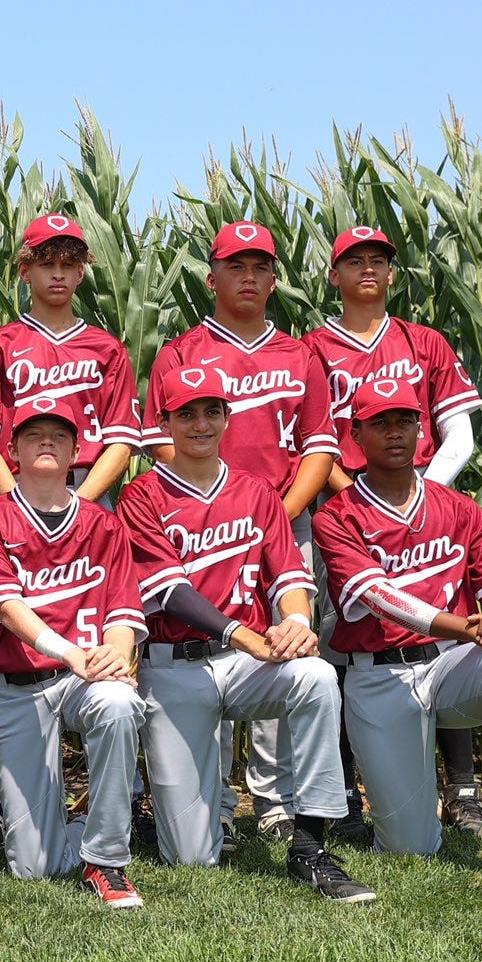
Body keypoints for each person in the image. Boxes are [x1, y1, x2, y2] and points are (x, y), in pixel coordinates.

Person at [117, 385, 373, 901]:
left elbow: (288, 576)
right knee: (190, 855)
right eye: (185, 414)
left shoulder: (256, 492)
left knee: (316, 675)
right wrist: (247, 636)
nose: (200, 424)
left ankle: (310, 845)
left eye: (211, 412)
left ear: (227, 418)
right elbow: (170, 592)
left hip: (243, 664)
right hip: (175, 667)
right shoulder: (141, 495)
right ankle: (185, 819)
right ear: (164, 422)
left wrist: (297, 622)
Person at [313, 380, 482, 899]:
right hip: (379, 673)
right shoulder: (336, 516)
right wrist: (467, 625)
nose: (394, 433)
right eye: (379, 423)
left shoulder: (459, 507)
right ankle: (415, 800)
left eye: (404, 420)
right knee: (410, 846)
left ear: (422, 429)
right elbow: (378, 595)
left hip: (453, 666)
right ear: (355, 435)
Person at [140, 220, 336, 844]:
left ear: (275, 279)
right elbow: (158, 446)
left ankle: (278, 805)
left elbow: (319, 445)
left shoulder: (298, 352)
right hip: (192, 518)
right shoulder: (181, 351)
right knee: (210, 641)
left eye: (260, 268)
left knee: (286, 647)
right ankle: (211, 801)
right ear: (213, 277)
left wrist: (269, 510)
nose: (248, 277)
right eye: (236, 266)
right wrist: (215, 505)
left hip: (276, 513)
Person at [0, 214, 144, 852]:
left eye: (71, 261)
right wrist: (24, 506)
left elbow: (120, 439)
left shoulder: (106, 348)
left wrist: (76, 503)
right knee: (12, 637)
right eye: (47, 261)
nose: (59, 273)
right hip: (18, 494)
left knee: (107, 631)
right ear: (25, 269)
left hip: (84, 489)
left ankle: (124, 802)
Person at [305, 225, 482, 838]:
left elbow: (459, 433)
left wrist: (419, 494)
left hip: (428, 506)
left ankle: (463, 792)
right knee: (344, 643)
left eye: (378, 260)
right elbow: (311, 441)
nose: (366, 269)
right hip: (347, 512)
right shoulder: (314, 348)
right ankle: (349, 795)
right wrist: (360, 500)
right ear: (333, 275)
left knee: (447, 637)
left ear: (392, 273)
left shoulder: (423, 341)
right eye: (352, 261)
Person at [0, 402, 148, 907]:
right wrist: (72, 652)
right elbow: (4, 606)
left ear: (75, 452)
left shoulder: (102, 524)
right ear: (12, 450)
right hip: (18, 686)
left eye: (58, 436)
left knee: (119, 703)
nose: (46, 442)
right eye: (34, 434)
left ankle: (107, 858)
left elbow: (124, 610)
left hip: (83, 679)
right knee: (33, 867)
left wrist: (114, 658)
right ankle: (82, 825)